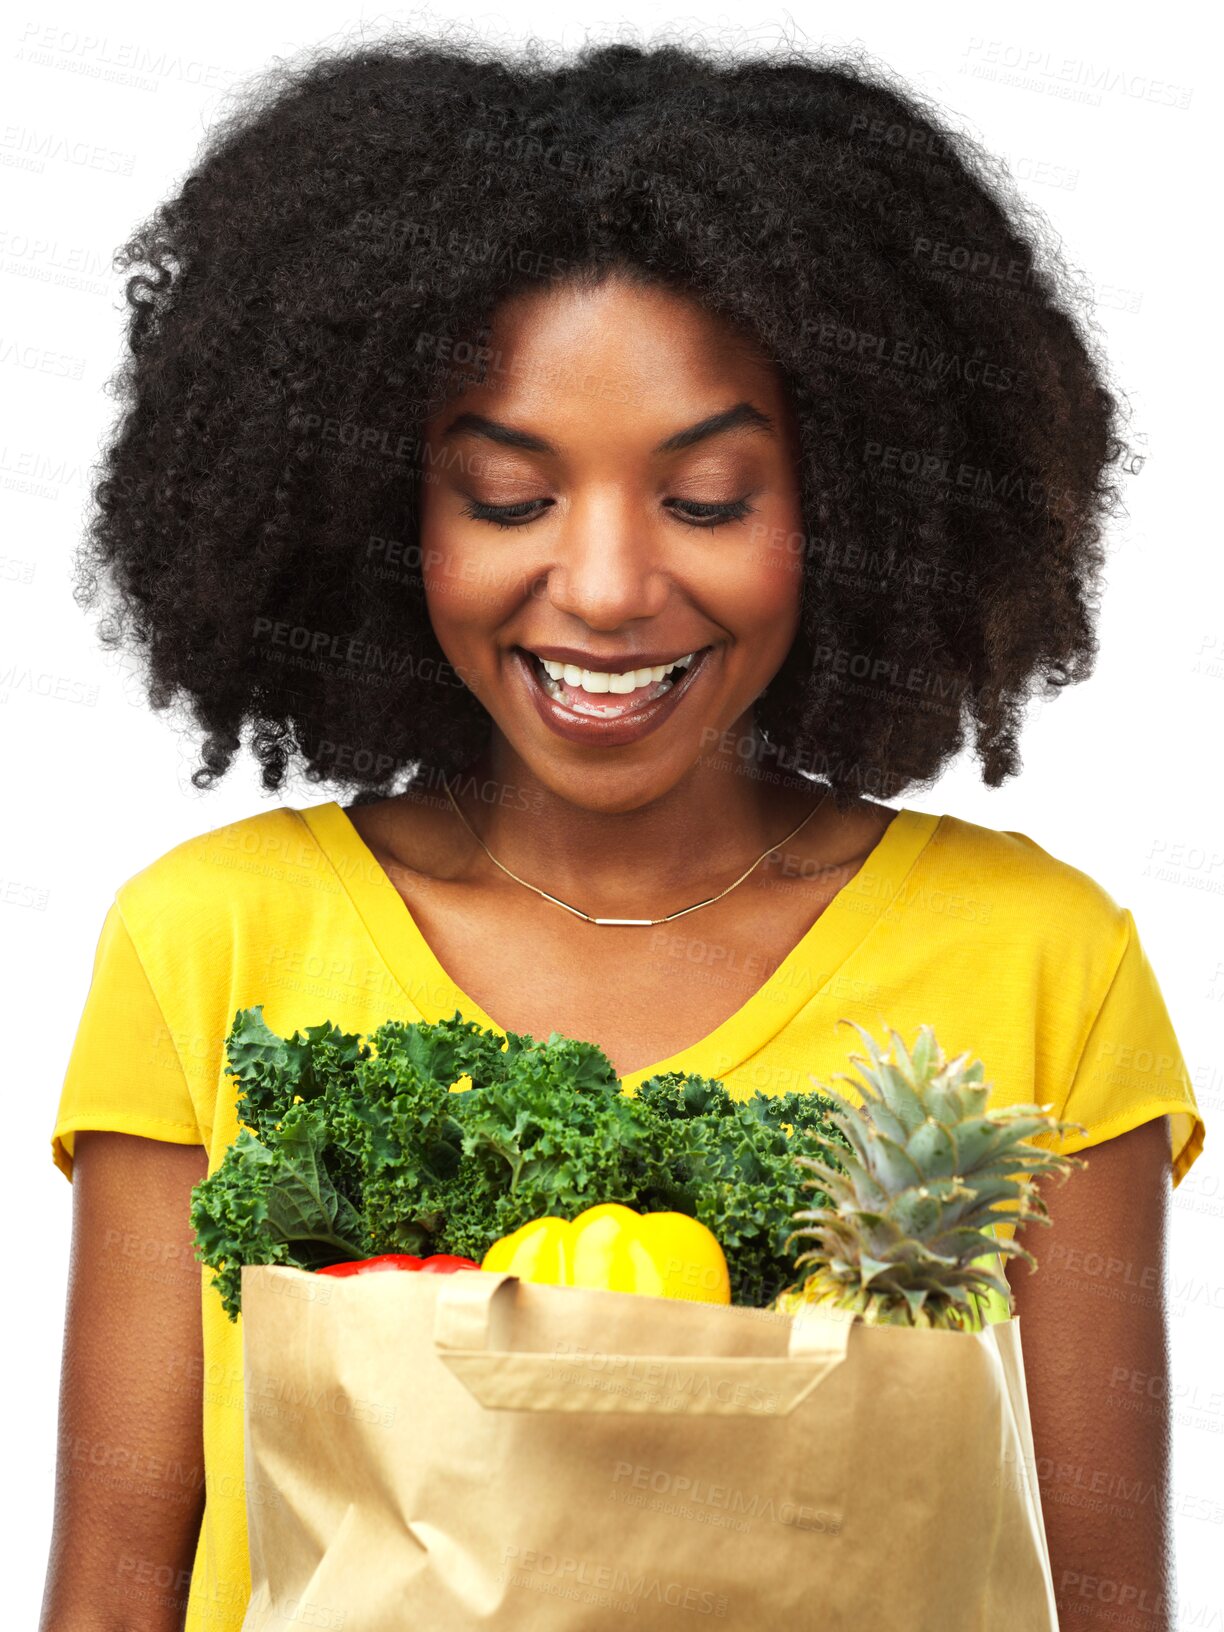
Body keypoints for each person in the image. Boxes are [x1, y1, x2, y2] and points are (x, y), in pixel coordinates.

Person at [41, 29, 1204, 1632]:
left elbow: (1111, 1606)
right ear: (384, 515)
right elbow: (111, 1603)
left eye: (709, 498)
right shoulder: (208, 942)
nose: (601, 587)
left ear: (849, 510)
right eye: (508, 498)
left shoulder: (1044, 966)